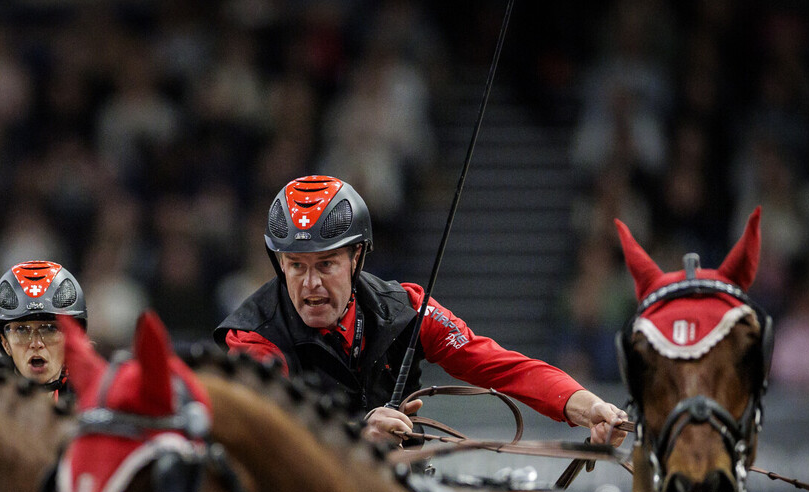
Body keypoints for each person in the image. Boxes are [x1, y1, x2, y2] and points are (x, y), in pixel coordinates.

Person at [215, 175, 628, 445]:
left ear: (357, 257)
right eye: (295, 266)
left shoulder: (407, 308)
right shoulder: (254, 336)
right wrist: (360, 432)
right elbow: (271, 434)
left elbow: (499, 366)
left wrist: (585, 405)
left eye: (326, 264)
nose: (310, 284)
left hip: (397, 489)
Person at [0, 260, 86, 401]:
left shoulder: (92, 405)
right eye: (22, 330)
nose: (36, 343)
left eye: (50, 329)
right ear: (5, 344)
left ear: (71, 342)